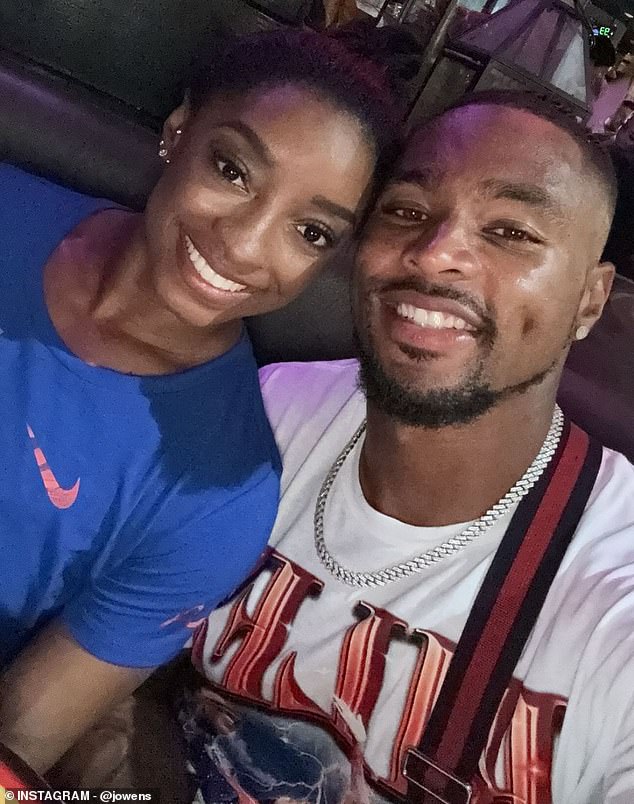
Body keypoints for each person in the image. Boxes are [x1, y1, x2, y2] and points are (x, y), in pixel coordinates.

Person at [184, 91, 634, 804]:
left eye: (511, 231)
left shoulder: (614, 600)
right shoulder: (264, 410)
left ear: (589, 299)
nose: (435, 254)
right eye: (406, 211)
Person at [0, 24, 406, 778]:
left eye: (311, 231)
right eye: (233, 170)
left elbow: (19, 742)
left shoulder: (217, 494)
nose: (247, 245)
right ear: (178, 132)